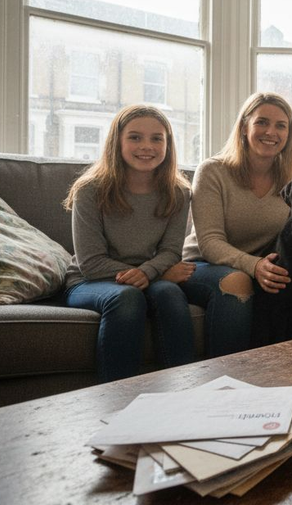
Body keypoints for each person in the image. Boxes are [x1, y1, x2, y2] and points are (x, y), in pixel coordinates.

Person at [63, 105, 194, 382]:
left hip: (147, 274)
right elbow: (90, 263)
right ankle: (116, 399)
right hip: (91, 281)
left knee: (170, 294)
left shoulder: (179, 192)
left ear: (168, 145)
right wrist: (150, 274)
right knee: (127, 297)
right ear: (117, 142)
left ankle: (184, 392)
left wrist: (147, 273)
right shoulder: (90, 190)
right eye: (135, 137)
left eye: (156, 138)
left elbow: (171, 250)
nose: (146, 146)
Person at [180, 92, 292, 356]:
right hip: (202, 265)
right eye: (262, 122)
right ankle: (226, 382)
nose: (271, 132)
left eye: (281, 125)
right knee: (237, 281)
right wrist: (253, 265)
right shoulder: (212, 171)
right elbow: (209, 243)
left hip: (259, 267)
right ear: (245, 127)